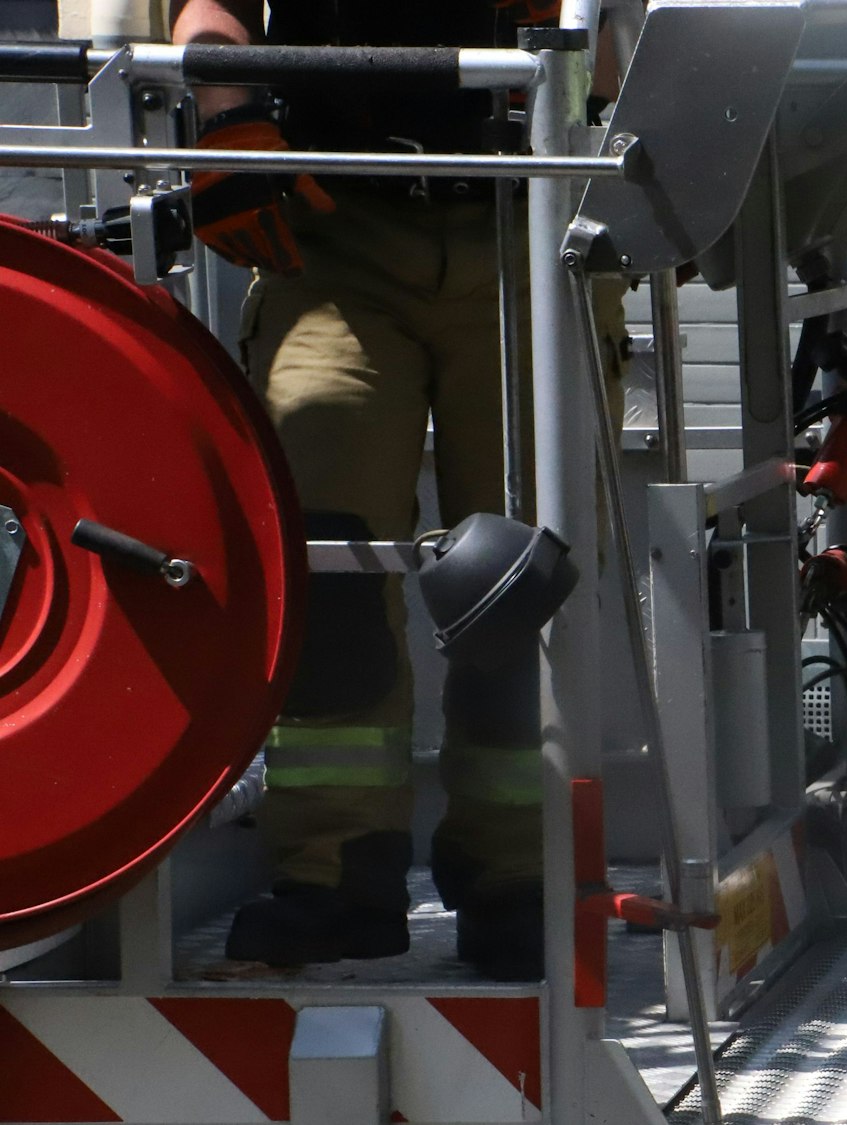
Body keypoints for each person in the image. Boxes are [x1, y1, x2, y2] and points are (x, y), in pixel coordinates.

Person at [170, 0, 626, 980]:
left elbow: (626, 45)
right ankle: (336, 878)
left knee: (521, 581)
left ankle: (515, 873)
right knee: (322, 564)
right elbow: (208, 8)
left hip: (528, 213)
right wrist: (225, 119)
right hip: (332, 227)